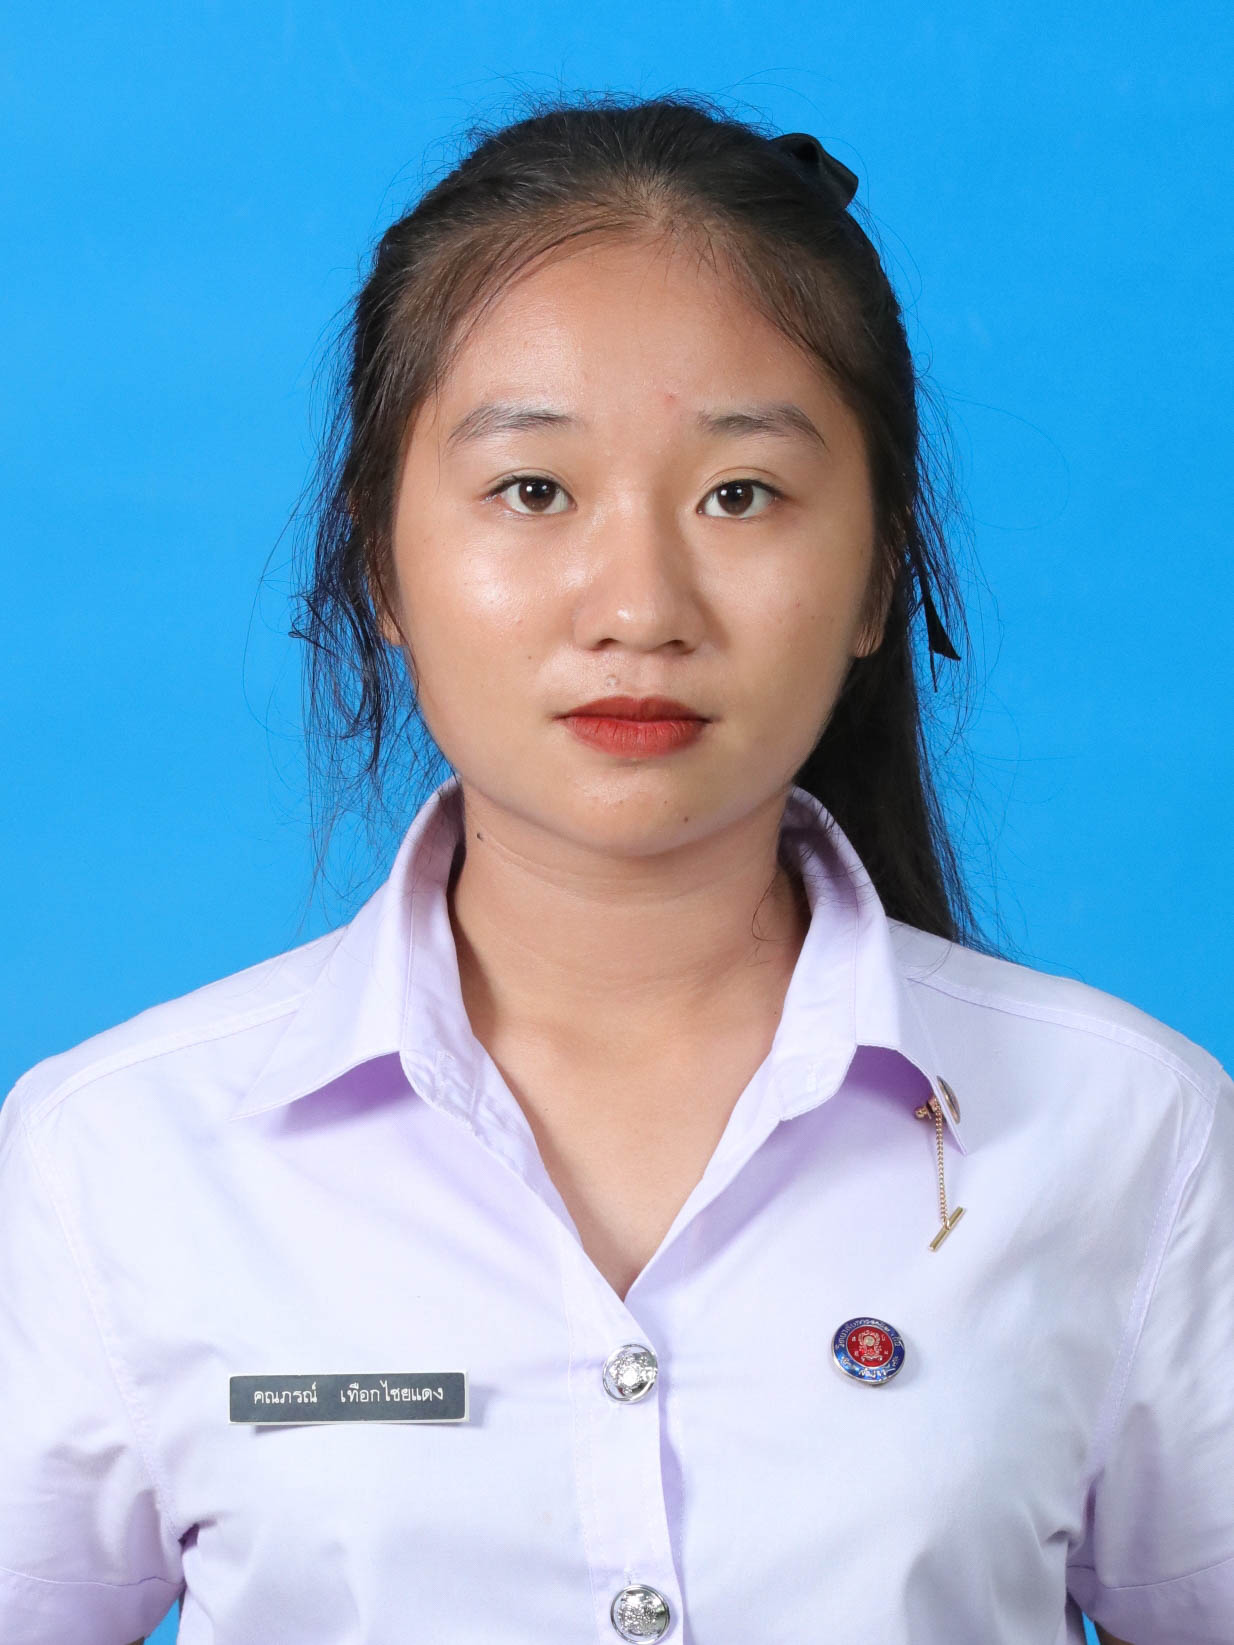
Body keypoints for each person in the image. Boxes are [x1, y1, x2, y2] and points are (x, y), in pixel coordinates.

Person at [0, 91, 1229, 1645]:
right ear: (380, 563)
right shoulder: (117, 1159)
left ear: (874, 575)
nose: (638, 604)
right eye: (532, 490)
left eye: (739, 494)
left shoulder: (1127, 1130)